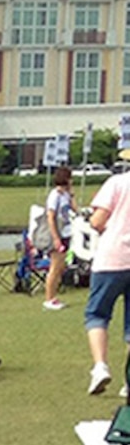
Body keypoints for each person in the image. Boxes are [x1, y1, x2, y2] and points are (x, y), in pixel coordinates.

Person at [83, 163, 130, 396]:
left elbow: (97, 221)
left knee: (97, 314)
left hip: (111, 258)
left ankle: (100, 366)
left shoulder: (116, 183)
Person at [43, 166, 74, 310]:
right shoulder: (54, 195)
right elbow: (50, 217)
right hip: (58, 234)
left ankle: (54, 296)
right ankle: (49, 298)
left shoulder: (65, 195)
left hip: (67, 232)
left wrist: (71, 194)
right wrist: (55, 238)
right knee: (55, 267)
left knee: (61, 267)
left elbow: (74, 209)